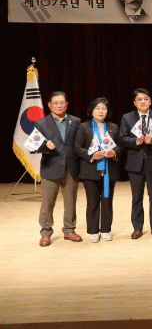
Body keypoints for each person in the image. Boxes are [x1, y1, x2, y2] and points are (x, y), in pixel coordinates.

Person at [118, 88, 152, 239]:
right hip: (135, 163)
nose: (143, 102)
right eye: (139, 99)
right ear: (135, 102)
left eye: (146, 99)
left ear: (150, 101)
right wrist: (135, 141)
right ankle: (137, 227)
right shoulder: (127, 117)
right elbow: (122, 138)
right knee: (137, 197)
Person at [35, 92, 81, 247]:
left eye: (62, 102)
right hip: (50, 168)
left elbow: (79, 144)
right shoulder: (41, 123)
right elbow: (34, 146)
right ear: (49, 105)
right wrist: (45, 147)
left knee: (70, 202)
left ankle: (69, 230)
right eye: (55, 103)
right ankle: (46, 232)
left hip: (71, 168)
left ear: (66, 104)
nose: (59, 105)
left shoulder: (76, 121)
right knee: (47, 203)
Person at [74, 98, 121, 243]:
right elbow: (77, 147)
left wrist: (114, 153)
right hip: (90, 170)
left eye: (104, 109)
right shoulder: (84, 127)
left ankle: (106, 230)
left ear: (108, 111)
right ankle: (93, 231)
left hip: (109, 170)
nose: (101, 111)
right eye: (98, 108)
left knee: (107, 201)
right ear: (92, 110)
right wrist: (92, 155)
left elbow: (120, 146)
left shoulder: (113, 127)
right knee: (92, 202)